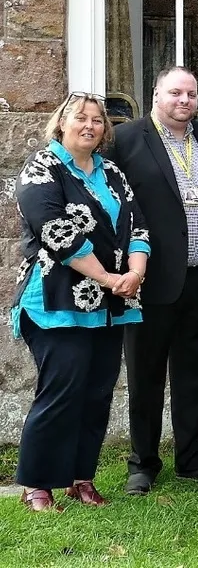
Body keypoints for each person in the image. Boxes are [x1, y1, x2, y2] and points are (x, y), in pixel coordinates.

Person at [10, 93, 150, 511]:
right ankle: (37, 484)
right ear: (61, 123)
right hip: (55, 301)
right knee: (61, 392)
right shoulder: (41, 169)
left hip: (109, 305)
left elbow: (138, 225)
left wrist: (136, 273)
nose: (88, 125)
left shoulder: (112, 173)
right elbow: (57, 233)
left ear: (105, 130)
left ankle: (80, 478)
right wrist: (110, 278)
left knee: (97, 393)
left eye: (96, 120)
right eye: (79, 118)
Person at [107, 67, 198, 496]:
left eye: (191, 93)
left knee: (196, 372)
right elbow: (113, 206)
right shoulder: (126, 140)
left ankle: (191, 459)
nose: (184, 100)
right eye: (175, 92)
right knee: (145, 374)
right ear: (156, 94)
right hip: (150, 280)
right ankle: (142, 464)